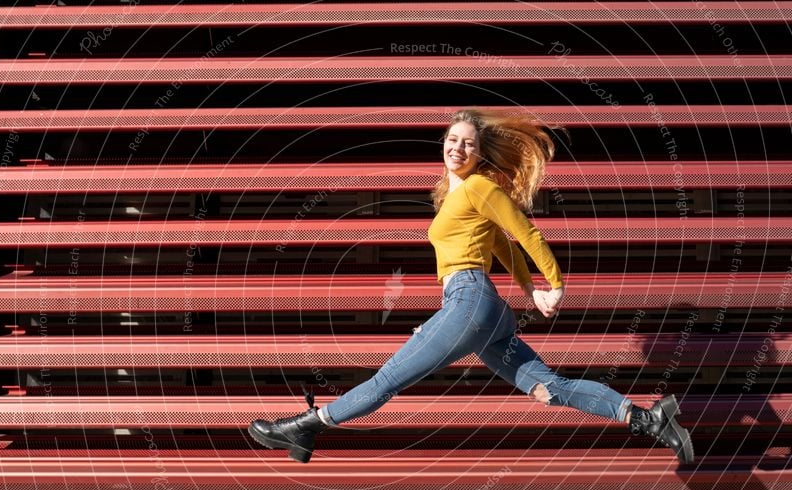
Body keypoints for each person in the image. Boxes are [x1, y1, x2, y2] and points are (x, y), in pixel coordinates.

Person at [248, 108, 695, 465]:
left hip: (470, 300)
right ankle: (650, 419)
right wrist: (527, 291)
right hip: (481, 308)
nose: (458, 148)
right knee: (547, 387)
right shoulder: (460, 193)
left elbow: (525, 233)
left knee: (387, 380)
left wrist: (554, 284)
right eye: (452, 140)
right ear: (442, 144)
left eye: (469, 143)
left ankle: (307, 425)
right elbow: (503, 247)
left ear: (480, 153)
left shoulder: (479, 186)